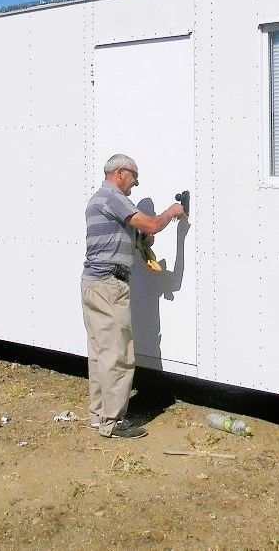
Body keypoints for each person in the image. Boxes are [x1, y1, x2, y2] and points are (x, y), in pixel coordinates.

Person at [81, 154, 185, 438]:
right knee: (119, 354)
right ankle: (113, 422)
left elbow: (132, 234)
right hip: (109, 286)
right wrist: (172, 212)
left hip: (93, 284)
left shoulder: (98, 201)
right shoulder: (112, 197)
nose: (135, 184)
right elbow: (151, 224)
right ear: (120, 174)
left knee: (100, 353)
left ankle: (99, 415)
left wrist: (140, 239)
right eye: (134, 177)